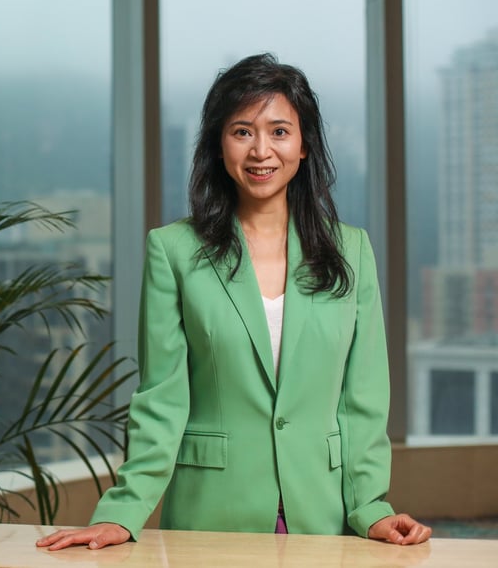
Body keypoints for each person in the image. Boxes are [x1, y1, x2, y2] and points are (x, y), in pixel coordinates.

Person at [37, 53, 432, 551]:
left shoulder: (351, 251)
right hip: (210, 513)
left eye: (279, 132)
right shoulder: (174, 251)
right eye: (242, 131)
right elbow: (162, 398)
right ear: (218, 145)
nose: (261, 150)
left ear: (305, 145)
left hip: (324, 515)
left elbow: (363, 400)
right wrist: (123, 513)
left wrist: (371, 505)